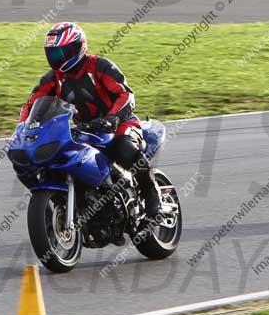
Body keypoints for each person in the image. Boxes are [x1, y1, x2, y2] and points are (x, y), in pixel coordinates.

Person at [17, 22, 163, 217]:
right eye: (52, 54)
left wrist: (112, 118)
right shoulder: (52, 79)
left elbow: (125, 94)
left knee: (124, 149)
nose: (56, 59)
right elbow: (32, 104)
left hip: (119, 123)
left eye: (61, 53)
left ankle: (151, 191)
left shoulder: (99, 66)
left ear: (78, 47)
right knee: (56, 159)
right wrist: (23, 127)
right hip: (85, 129)